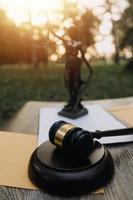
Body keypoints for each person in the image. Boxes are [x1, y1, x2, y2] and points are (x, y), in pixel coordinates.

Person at [51, 26, 93, 114]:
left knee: (75, 84)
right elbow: (56, 36)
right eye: (69, 31)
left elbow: (83, 57)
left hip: (76, 65)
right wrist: (50, 28)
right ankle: (72, 101)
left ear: (75, 32)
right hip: (68, 65)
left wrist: (89, 68)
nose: (70, 33)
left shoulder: (78, 43)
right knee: (69, 84)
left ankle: (77, 103)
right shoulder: (66, 41)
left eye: (72, 31)